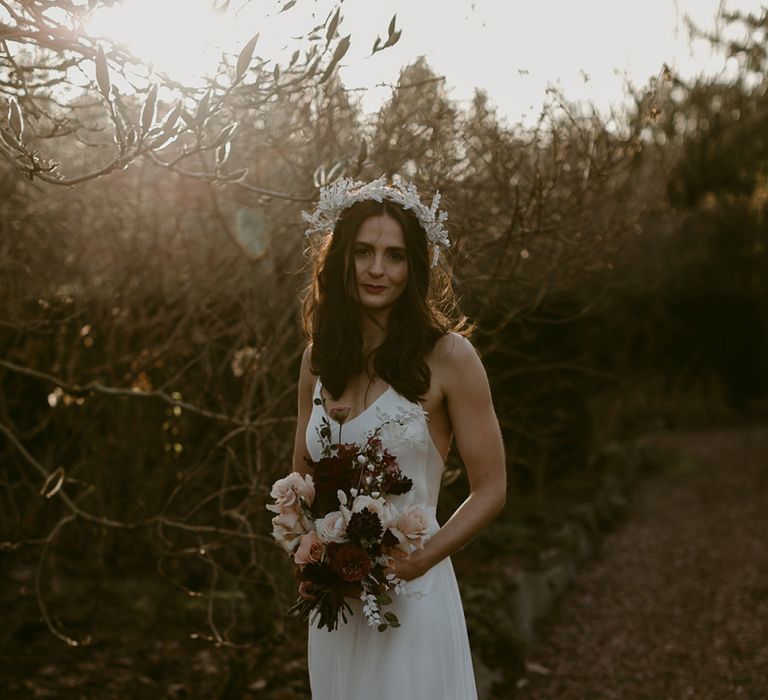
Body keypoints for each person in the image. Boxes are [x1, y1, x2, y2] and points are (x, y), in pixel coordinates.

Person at [291, 176, 506, 700]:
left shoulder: (450, 358)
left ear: (414, 268)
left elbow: (492, 488)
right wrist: (308, 544)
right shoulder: (317, 360)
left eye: (395, 255)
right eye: (363, 251)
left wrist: (423, 557)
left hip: (413, 596)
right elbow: (301, 478)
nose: (377, 269)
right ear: (340, 258)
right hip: (336, 607)